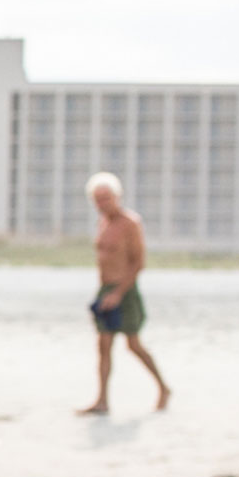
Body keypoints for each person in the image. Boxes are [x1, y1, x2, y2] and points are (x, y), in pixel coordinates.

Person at [80, 170, 171, 414]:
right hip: (105, 289)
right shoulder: (103, 223)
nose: (102, 204)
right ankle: (102, 400)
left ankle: (163, 388)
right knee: (103, 345)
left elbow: (138, 262)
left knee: (133, 344)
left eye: (106, 198)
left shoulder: (130, 223)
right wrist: (105, 293)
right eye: (98, 199)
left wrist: (118, 293)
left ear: (117, 197)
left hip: (125, 290)